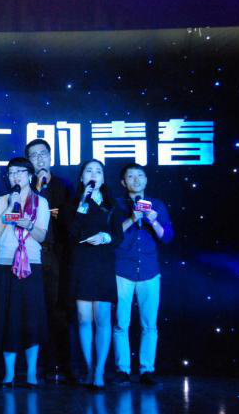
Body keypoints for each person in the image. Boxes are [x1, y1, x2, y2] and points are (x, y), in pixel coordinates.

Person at [0, 157, 50, 387]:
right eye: (12, 172)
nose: (15, 176)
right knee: (8, 318)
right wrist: (9, 209)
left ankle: (32, 372)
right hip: (5, 262)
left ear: (30, 175)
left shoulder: (41, 202)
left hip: (30, 263)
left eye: (20, 172)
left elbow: (42, 236)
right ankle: (9, 372)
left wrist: (28, 224)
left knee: (31, 317)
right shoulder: (3, 199)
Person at [112, 163, 173, 385]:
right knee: (121, 323)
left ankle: (147, 369)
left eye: (140, 176)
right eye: (131, 176)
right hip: (123, 270)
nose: (136, 180)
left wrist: (152, 220)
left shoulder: (157, 205)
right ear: (123, 182)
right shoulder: (116, 204)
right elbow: (112, 235)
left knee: (149, 324)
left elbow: (167, 237)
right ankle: (123, 369)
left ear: (146, 180)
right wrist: (132, 217)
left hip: (149, 270)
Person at [66, 159, 123, 389]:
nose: (93, 174)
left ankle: (99, 370)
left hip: (103, 264)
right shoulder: (74, 203)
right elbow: (71, 233)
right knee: (83, 319)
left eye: (98, 171)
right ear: (82, 177)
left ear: (103, 178)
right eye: (89, 171)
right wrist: (83, 203)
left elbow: (118, 236)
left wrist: (105, 237)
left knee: (102, 319)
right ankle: (89, 368)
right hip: (81, 263)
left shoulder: (112, 204)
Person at [25, 138, 76, 382]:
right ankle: (35, 367)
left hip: (57, 255)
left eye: (43, 153)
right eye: (34, 155)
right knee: (33, 310)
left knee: (59, 311)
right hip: (29, 254)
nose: (39, 159)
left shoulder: (65, 185)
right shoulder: (24, 185)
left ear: (50, 156)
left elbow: (73, 222)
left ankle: (63, 366)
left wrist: (58, 214)